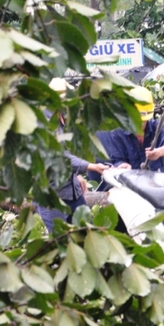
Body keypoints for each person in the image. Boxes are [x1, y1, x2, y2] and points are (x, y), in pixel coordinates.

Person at [36, 78, 111, 232]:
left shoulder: (63, 117)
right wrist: (92, 166)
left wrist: (76, 175)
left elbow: (71, 150)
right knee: (62, 240)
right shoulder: (44, 123)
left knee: (88, 231)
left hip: (72, 191)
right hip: (53, 196)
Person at [91, 86, 164, 184]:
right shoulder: (118, 133)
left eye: (143, 121)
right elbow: (117, 159)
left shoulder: (157, 127)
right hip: (132, 186)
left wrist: (159, 152)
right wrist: (123, 166)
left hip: (157, 183)